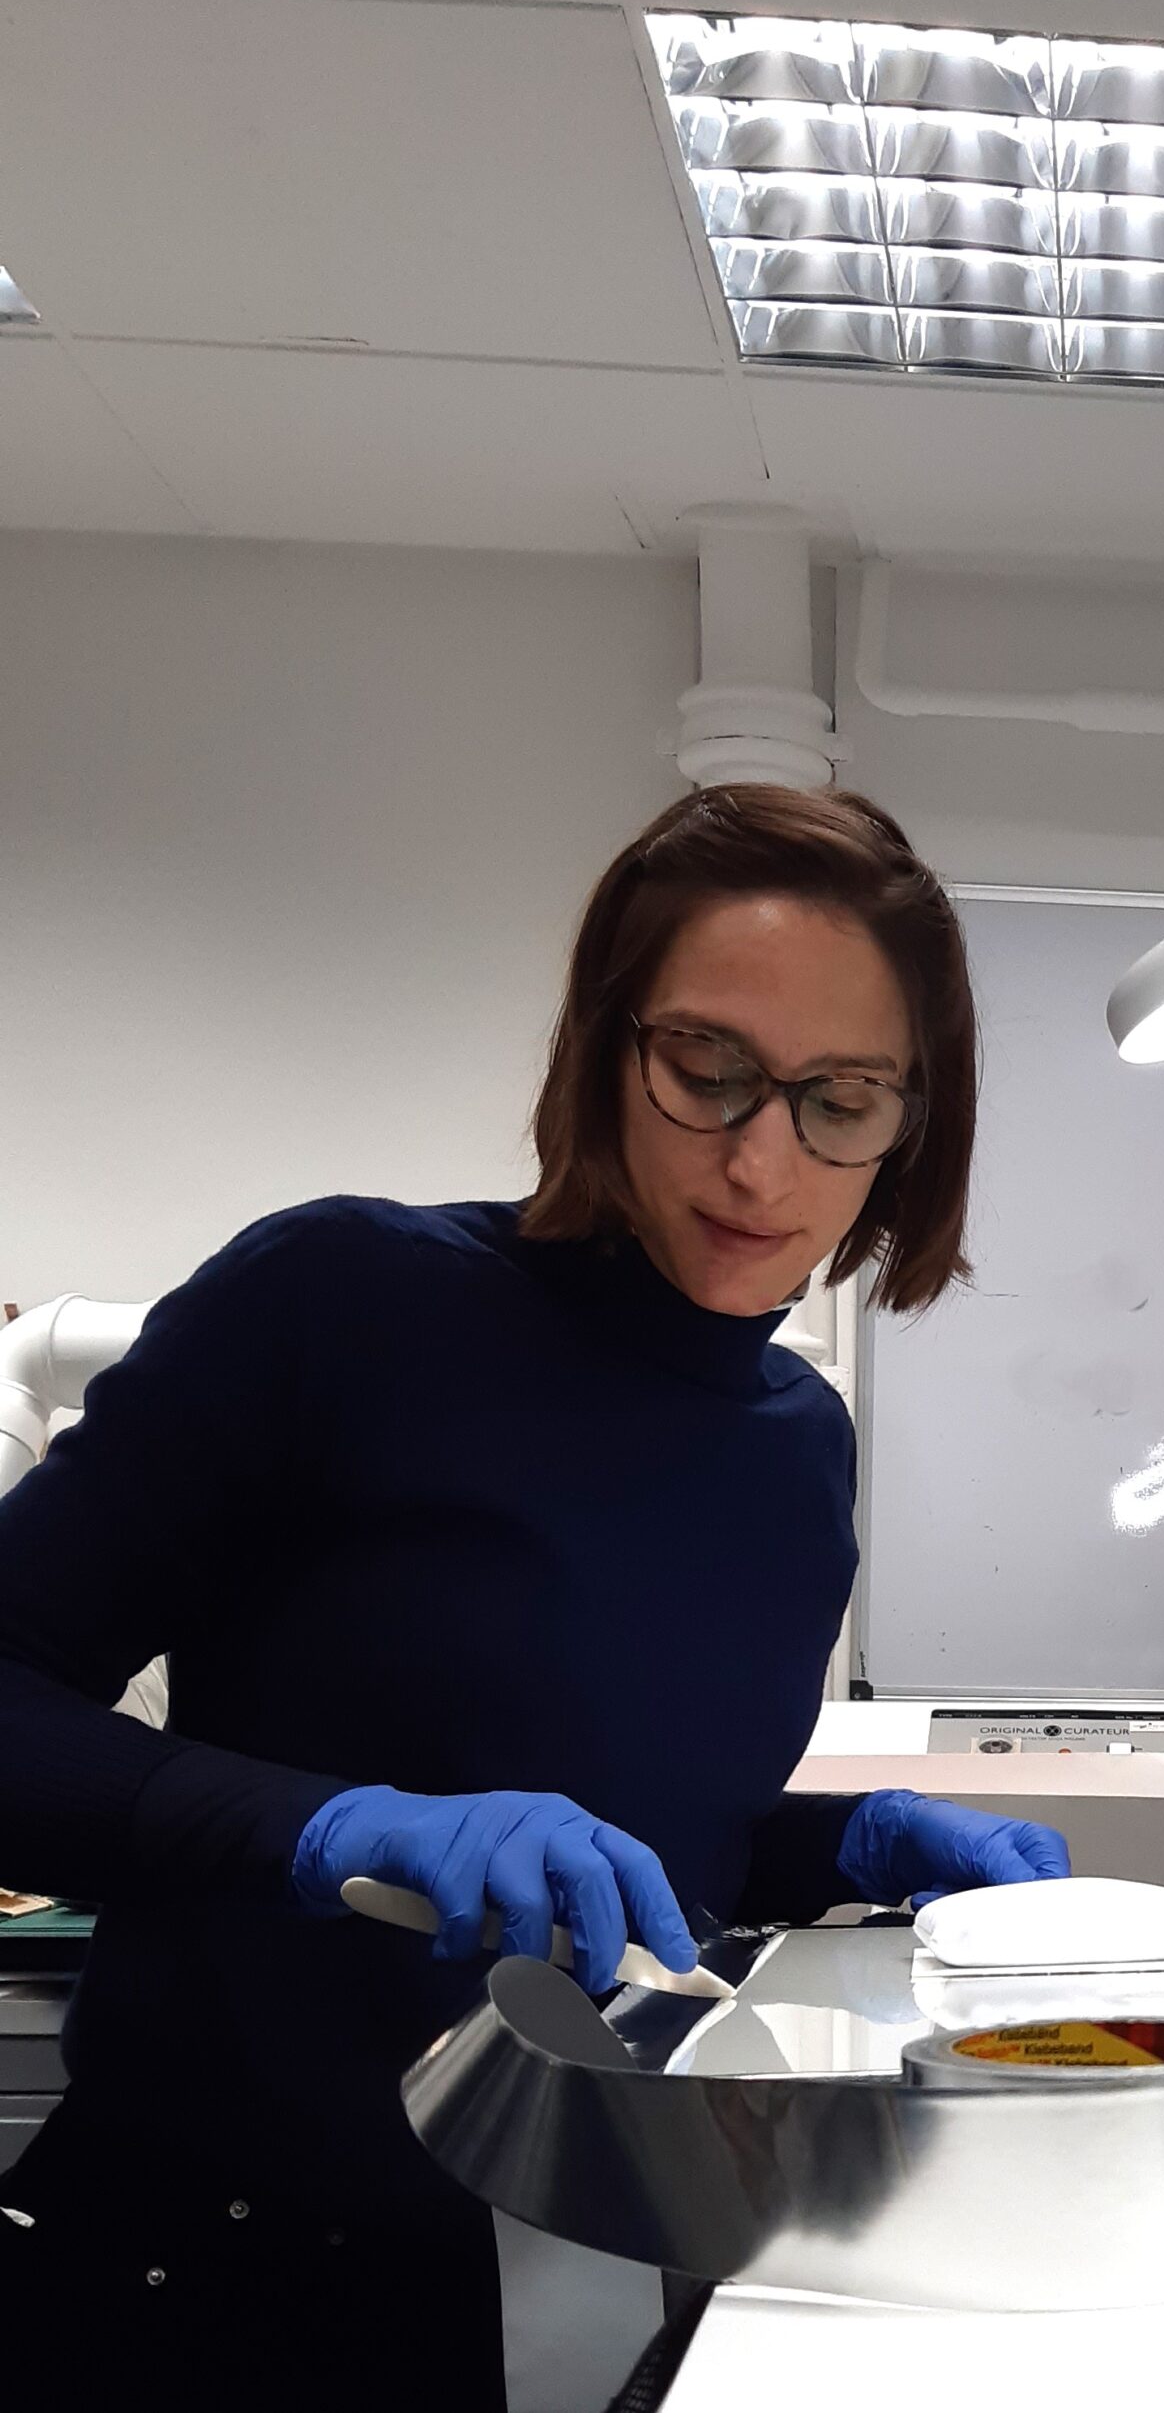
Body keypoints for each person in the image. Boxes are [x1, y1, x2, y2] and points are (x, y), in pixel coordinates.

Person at [0, 783, 1069, 2405]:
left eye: (838, 1098)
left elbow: (626, 1845)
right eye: (706, 1067)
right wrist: (331, 1827)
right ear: (605, 1045)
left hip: (569, 2273)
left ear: (910, 1124)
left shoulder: (798, 1456)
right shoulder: (342, 1303)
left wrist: (833, 1842)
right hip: (203, 2284)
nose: (760, 1154)